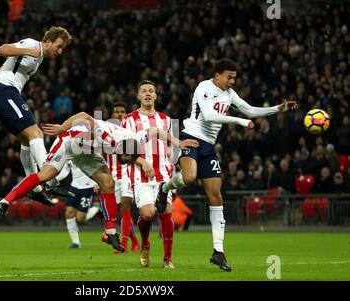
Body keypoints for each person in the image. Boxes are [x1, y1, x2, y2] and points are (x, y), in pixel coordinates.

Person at [156, 58, 298, 271]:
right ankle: (164, 188)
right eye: (229, 77)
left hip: (209, 147)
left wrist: (279, 108)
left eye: (234, 78)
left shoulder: (229, 94)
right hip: (190, 138)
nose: (232, 81)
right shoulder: (204, 87)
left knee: (216, 196)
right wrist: (240, 122)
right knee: (189, 177)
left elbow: (249, 110)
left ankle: (218, 251)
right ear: (217, 75)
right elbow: (209, 115)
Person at [0, 112, 198, 252]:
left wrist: (179, 142)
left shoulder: (134, 140)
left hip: (88, 153)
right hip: (69, 142)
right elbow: (84, 116)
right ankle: (5, 202)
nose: (125, 162)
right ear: (122, 150)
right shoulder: (109, 137)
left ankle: (110, 234)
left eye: (129, 160)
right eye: (126, 158)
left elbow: (155, 132)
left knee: (107, 183)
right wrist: (62, 128)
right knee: (45, 175)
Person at [0, 26, 73, 205]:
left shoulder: (40, 57)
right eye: (58, 46)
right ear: (48, 42)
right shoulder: (31, 44)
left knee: (27, 141)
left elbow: (9, 69)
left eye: (62, 49)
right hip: (5, 92)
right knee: (37, 134)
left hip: (1, 93)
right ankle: (51, 181)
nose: (60, 52)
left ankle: (34, 189)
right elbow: (1, 50)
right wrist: (28, 50)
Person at [122, 80, 176, 269]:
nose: (147, 93)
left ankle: (167, 259)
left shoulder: (167, 120)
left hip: (163, 175)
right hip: (140, 176)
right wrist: (143, 161)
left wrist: (171, 159)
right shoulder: (129, 119)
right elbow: (126, 151)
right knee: (148, 213)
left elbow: (170, 148)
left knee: (166, 212)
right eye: (143, 91)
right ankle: (145, 244)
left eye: (150, 91)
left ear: (155, 96)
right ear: (138, 96)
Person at [106, 102, 139, 253]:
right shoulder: (106, 131)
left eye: (122, 112)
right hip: (112, 175)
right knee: (119, 211)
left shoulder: (131, 131)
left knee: (126, 206)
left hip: (127, 173)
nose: (119, 114)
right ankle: (135, 241)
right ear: (112, 115)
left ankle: (123, 244)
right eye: (116, 112)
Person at [57, 160, 100, 248]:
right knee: (69, 213)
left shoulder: (90, 152)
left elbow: (99, 167)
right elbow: (65, 171)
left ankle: (96, 208)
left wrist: (97, 182)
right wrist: (53, 180)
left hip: (88, 187)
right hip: (74, 187)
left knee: (80, 218)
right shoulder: (69, 153)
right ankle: (76, 242)